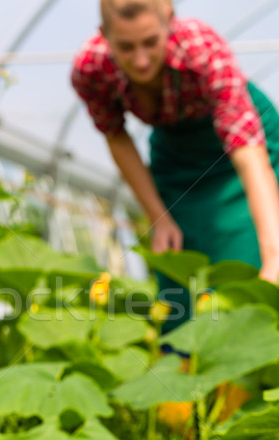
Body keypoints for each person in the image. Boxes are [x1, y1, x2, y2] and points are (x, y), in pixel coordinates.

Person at [71, 0, 279, 328]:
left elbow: (249, 155)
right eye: (125, 47)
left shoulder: (203, 50)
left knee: (247, 261)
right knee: (176, 273)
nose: (140, 59)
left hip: (243, 151)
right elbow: (116, 136)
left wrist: (274, 257)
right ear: (104, 35)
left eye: (150, 42)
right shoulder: (91, 69)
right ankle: (183, 360)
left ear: (169, 20)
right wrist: (159, 216)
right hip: (175, 158)